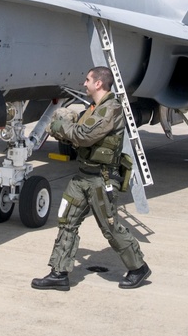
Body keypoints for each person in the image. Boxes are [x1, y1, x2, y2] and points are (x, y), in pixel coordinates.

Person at [31, 66, 151, 291]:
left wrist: (58, 125)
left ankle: (138, 268)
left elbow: (84, 136)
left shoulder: (111, 109)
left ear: (99, 84)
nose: (84, 84)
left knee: (110, 227)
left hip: (101, 180)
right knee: (67, 221)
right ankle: (59, 272)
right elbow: (76, 134)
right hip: (83, 176)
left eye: (87, 80)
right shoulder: (94, 108)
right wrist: (67, 128)